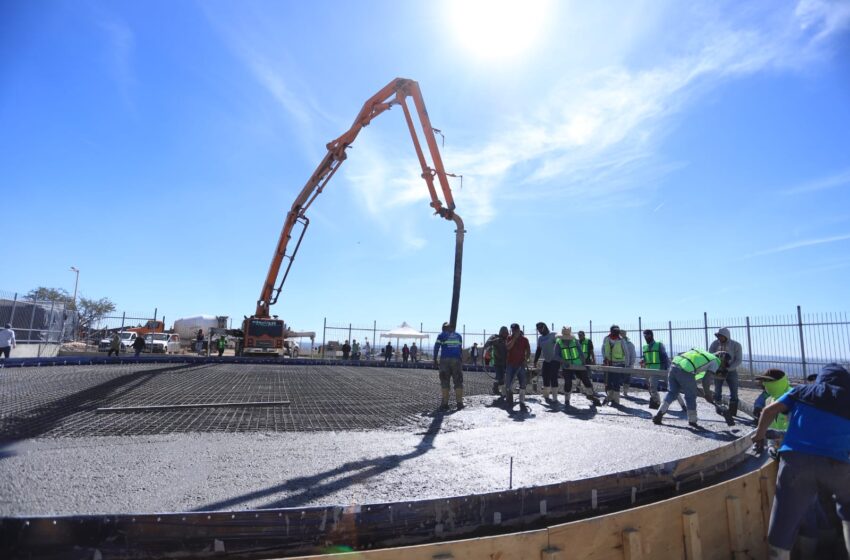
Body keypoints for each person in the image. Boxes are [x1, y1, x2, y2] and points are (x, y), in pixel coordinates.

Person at [752, 363, 850, 560]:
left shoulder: (804, 390)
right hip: (839, 465)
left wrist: (759, 436)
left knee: (783, 520)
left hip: (796, 462)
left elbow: (768, 411)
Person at [652, 348, 735, 427]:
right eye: (725, 363)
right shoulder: (715, 361)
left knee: (672, 393)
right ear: (722, 358)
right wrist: (707, 394)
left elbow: (687, 360)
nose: (723, 366)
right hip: (685, 371)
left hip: (674, 366)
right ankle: (692, 421)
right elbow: (706, 381)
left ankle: (659, 413)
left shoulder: (703, 354)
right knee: (691, 396)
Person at [556, 327, 602, 406]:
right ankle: (567, 400)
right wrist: (563, 362)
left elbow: (580, 353)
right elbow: (556, 356)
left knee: (586, 380)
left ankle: (590, 395)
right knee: (568, 382)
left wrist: (583, 363)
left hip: (578, 364)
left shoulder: (575, 341)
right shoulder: (559, 343)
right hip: (567, 366)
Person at [707, 327, 743, 415]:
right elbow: (710, 356)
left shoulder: (736, 345)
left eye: (721, 336)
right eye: (718, 336)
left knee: (734, 391)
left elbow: (738, 360)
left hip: (731, 370)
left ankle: (733, 411)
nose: (719, 338)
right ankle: (718, 409)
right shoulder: (714, 344)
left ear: (726, 336)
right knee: (717, 390)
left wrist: (728, 368)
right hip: (718, 370)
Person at [434, 322, 464, 410]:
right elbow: (459, 348)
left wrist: (435, 359)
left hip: (444, 360)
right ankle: (459, 403)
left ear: (443, 328)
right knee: (458, 380)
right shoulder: (458, 336)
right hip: (456, 360)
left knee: (444, 380)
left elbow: (436, 347)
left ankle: (445, 404)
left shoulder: (441, 335)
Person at [641, 329, 672, 409]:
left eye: (647, 335)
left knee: (671, 387)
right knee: (653, 388)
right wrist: (643, 361)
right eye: (644, 335)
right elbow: (645, 358)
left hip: (662, 370)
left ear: (651, 335)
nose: (646, 337)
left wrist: (667, 369)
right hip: (652, 371)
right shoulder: (645, 347)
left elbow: (665, 357)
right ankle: (657, 402)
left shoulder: (659, 345)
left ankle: (682, 405)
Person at [505, 323, 531, 412]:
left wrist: (526, 359)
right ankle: (510, 400)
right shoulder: (509, 338)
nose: (514, 332)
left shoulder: (524, 340)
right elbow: (508, 348)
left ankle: (522, 402)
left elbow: (528, 351)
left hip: (521, 365)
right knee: (508, 383)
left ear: (519, 330)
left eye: (515, 330)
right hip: (510, 364)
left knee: (523, 383)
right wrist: (514, 339)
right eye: (512, 330)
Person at [533, 323, 560, 404]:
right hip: (546, 360)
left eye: (540, 329)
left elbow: (560, 346)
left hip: (555, 360)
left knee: (553, 377)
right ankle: (546, 395)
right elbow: (538, 350)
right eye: (537, 329)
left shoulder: (553, 335)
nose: (539, 331)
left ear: (544, 327)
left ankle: (555, 398)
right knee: (545, 377)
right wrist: (535, 361)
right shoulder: (540, 338)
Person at [602, 325, 628, 405]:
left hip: (619, 364)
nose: (616, 332)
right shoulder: (606, 339)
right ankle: (610, 398)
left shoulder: (621, 340)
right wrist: (605, 358)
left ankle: (616, 401)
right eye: (614, 331)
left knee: (616, 382)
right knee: (609, 382)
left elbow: (626, 352)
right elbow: (603, 349)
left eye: (617, 331)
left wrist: (626, 365)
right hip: (609, 363)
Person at [483, 327, 509, 397]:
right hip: (498, 362)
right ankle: (496, 388)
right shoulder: (495, 337)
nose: (505, 335)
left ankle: (504, 392)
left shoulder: (508, 339)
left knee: (504, 377)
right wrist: (493, 341)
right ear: (501, 333)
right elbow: (487, 344)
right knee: (499, 377)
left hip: (506, 362)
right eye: (504, 333)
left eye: (506, 333)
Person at [620, 330, 637, 396]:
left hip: (627, 364)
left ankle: (625, 392)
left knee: (627, 379)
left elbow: (633, 355)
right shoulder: (618, 342)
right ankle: (620, 391)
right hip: (620, 363)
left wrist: (631, 364)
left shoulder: (630, 344)